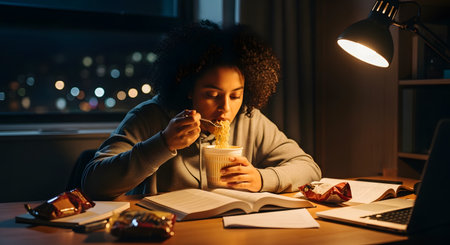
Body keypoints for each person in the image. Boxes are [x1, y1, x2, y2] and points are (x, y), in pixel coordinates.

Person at [81, 20, 321, 200]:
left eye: (236, 95)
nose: (226, 108)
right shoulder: (150, 116)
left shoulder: (250, 120)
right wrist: (163, 143)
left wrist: (261, 179)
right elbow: (93, 183)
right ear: (187, 88)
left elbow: (309, 168)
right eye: (212, 95)